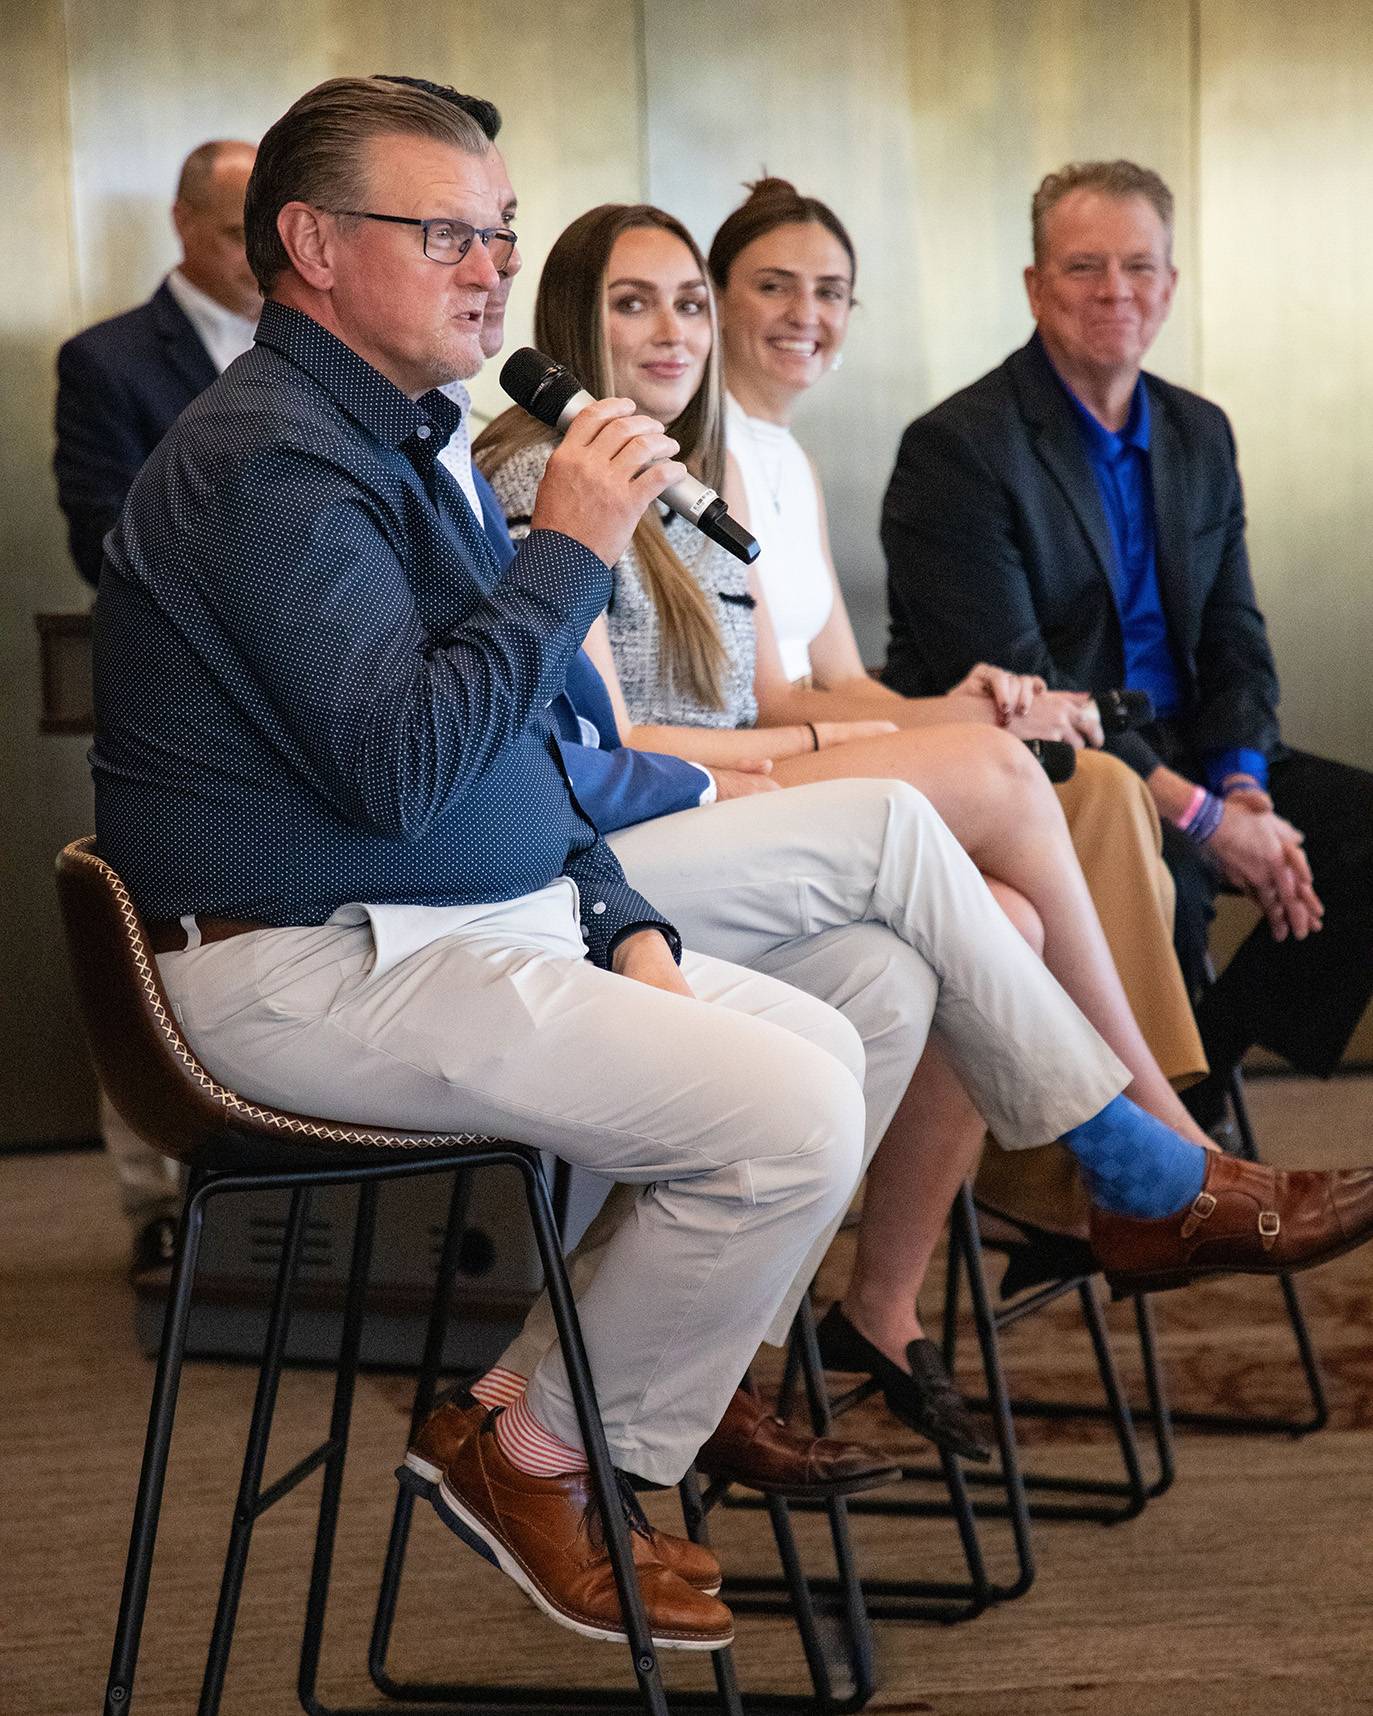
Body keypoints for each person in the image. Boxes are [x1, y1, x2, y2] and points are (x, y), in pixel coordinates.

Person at [90, 76, 1167, 1651]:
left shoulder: (399, 433)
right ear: (312, 245)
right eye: (446, 232)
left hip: (453, 912)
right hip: (302, 958)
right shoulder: (266, 459)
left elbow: (523, 748)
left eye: (500, 231)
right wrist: (575, 547)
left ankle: (530, 1424)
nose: (488, 267)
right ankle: (545, 1455)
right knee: (789, 1099)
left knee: (853, 998)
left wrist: (622, 910)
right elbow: (402, 768)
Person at [474, 200, 1373, 1454]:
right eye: (636, 303)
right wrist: (842, 748)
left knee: (986, 916)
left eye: (684, 302)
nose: (674, 329)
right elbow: (610, 751)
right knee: (996, 789)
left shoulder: (684, 472)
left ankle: (770, 1335)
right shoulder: (539, 473)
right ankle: (1158, 1160)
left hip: (721, 805)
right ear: (568, 321)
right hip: (616, 840)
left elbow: (779, 689)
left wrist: (908, 720)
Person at [705, 175, 1206, 1246]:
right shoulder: (711, 455)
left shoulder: (785, 454)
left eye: (830, 291)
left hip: (821, 737)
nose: (806, 315)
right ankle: (1149, 1161)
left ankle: (1095, 1177)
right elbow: (771, 699)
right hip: (753, 763)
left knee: (1101, 785)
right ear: (718, 299)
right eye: (773, 287)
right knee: (1072, 792)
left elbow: (838, 674)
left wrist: (954, 704)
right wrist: (950, 728)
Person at [881, 158, 1373, 1126]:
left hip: (1192, 750)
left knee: (1360, 831)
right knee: (1174, 884)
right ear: (1033, 285)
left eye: (1139, 267)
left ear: (1170, 285)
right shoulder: (958, 448)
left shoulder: (1197, 432)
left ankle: (1186, 1105)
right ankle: (1131, 1160)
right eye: (1082, 267)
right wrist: (1201, 823)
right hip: (1055, 769)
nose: (1115, 292)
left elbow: (1233, 632)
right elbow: (1026, 681)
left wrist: (1239, 788)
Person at [52, 136, 259, 1280]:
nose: (261, 253)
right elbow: (103, 535)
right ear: (185, 226)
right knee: (150, 940)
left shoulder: (317, 346)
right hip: (175, 707)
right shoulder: (111, 362)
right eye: (239, 231)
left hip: (301, 705)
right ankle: (157, 1213)